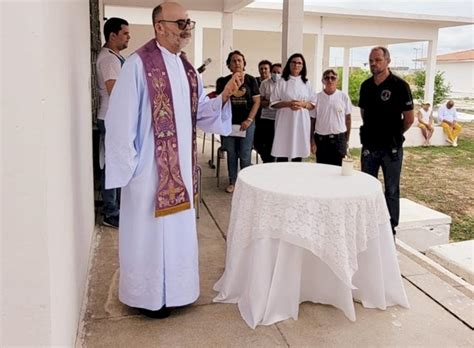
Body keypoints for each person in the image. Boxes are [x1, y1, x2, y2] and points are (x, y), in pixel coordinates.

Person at [104, 2, 243, 319]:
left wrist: (223, 96)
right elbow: (120, 121)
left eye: (188, 21)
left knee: (177, 234)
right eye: (180, 22)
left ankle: (178, 291)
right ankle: (148, 296)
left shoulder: (186, 67)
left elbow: (196, 117)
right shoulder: (139, 65)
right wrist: (133, 170)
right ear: (159, 27)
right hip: (149, 172)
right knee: (150, 236)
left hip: (179, 169)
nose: (186, 26)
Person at [359, 46, 414, 237]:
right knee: (366, 188)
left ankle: (390, 229)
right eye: (371, 60)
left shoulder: (400, 86)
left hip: (391, 149)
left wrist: (393, 135)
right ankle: (367, 224)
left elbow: (409, 119)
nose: (373, 64)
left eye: (378, 60)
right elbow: (364, 113)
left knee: (391, 189)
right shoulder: (366, 86)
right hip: (369, 148)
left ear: (387, 61)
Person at [96, 17, 130, 228]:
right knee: (112, 166)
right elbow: (114, 91)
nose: (128, 37)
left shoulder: (115, 57)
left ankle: (115, 207)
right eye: (125, 33)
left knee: (115, 164)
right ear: (113, 35)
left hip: (113, 118)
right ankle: (111, 212)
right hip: (111, 118)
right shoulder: (109, 59)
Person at [216, 51, 260, 193]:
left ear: (244, 63)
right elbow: (219, 102)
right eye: (233, 61)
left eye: (239, 60)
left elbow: (256, 102)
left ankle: (246, 184)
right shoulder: (223, 81)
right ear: (229, 65)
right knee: (232, 153)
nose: (237, 63)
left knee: (245, 154)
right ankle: (233, 181)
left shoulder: (251, 80)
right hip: (229, 124)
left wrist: (248, 120)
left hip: (246, 123)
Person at [270, 53, 316, 162]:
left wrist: (303, 104)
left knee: (298, 152)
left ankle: (297, 176)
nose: (296, 65)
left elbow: (313, 104)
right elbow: (273, 103)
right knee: (283, 151)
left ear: (303, 66)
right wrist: (288, 104)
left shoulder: (307, 83)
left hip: (301, 121)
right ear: (289, 64)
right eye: (294, 62)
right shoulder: (281, 82)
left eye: (299, 63)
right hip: (285, 121)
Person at [310, 69, 352, 165]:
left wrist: (346, 140)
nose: (330, 80)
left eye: (333, 78)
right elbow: (312, 121)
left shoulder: (343, 97)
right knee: (322, 170)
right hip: (321, 141)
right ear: (323, 81)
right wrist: (312, 141)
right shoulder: (316, 98)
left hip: (339, 140)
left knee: (338, 171)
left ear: (337, 80)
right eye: (327, 78)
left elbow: (348, 119)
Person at [258, 63, 282, 163]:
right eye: (274, 72)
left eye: (278, 72)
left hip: (280, 120)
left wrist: (270, 100)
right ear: (271, 72)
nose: (276, 74)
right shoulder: (264, 84)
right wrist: (276, 101)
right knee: (267, 147)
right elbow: (261, 103)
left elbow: (285, 102)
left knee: (280, 146)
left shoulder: (284, 84)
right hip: (266, 119)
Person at [253, 60, 272, 159]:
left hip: (271, 118)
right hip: (257, 117)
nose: (263, 71)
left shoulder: (274, 83)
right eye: (261, 68)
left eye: (266, 68)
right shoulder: (255, 81)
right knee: (258, 142)